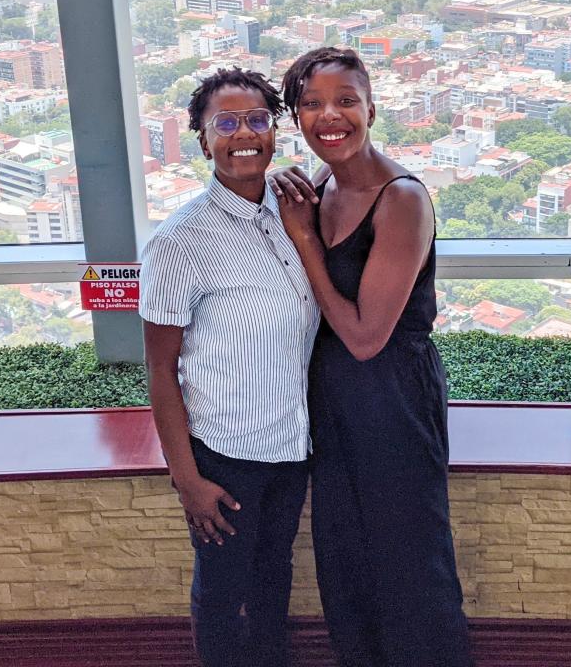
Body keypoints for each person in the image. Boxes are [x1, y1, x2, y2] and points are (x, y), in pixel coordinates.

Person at [269, 47, 474, 666]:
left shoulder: (402, 199)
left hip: (391, 399)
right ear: (296, 118)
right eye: (311, 104)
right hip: (332, 400)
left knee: (410, 561)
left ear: (372, 109)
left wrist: (304, 237)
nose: (330, 116)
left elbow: (364, 337)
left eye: (345, 101)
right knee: (346, 558)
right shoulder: (321, 184)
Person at [139, 67, 320, 667]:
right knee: (221, 595)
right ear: (203, 138)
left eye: (258, 120)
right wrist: (187, 480)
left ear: (275, 130)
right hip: (225, 453)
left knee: (274, 584)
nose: (244, 133)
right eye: (226, 122)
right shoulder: (180, 241)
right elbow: (162, 372)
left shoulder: (297, 208)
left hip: (293, 449)